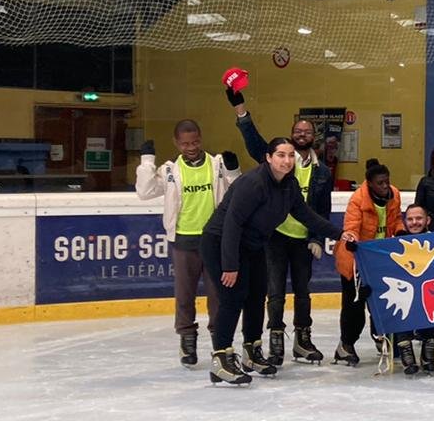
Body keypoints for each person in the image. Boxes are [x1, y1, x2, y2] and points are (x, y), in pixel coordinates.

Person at [201, 136, 344, 385]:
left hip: (254, 246)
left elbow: (307, 216)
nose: (287, 160)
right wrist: (230, 265)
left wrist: (340, 235)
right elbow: (232, 224)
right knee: (232, 298)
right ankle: (221, 359)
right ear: (268, 158)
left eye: (291, 156)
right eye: (281, 155)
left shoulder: (289, 186)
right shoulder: (253, 183)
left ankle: (252, 352)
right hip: (221, 243)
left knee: (257, 297)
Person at [230, 84, 334, 368]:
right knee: (274, 292)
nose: (302, 135)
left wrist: (317, 238)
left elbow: (321, 208)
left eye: (307, 131)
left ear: (315, 137)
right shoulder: (281, 161)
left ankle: (302, 340)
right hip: (274, 236)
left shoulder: (322, 172)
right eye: (297, 131)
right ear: (291, 134)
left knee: (303, 292)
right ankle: (275, 337)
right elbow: (254, 143)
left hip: (303, 240)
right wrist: (241, 111)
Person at [135, 120, 240, 368]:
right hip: (184, 240)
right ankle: (187, 338)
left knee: (219, 295)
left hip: (214, 241)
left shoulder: (217, 165)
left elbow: (237, 191)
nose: (190, 147)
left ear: (201, 139)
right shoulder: (170, 170)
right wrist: (147, 162)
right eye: (185, 143)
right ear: (176, 143)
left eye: (194, 142)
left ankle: (220, 342)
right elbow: (145, 191)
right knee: (184, 295)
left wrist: (234, 170)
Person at [332, 158, 405, 369]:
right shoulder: (358, 200)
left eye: (387, 181)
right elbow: (351, 226)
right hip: (354, 259)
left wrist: (400, 230)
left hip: (380, 259)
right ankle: (345, 345)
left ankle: (382, 338)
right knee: (354, 306)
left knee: (382, 301)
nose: (385, 186)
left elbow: (395, 220)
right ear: (370, 184)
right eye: (380, 183)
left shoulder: (394, 194)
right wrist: (353, 240)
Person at [389, 203, 434, 377]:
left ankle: (429, 347)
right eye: (410, 219)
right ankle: (405, 347)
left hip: (428, 290)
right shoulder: (396, 244)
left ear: (428, 220)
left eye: (419, 218)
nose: (414, 222)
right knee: (400, 300)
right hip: (405, 292)